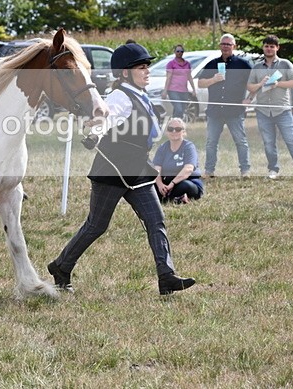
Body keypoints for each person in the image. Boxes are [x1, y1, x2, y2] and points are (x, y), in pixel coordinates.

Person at [47, 43, 195, 296]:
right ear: (125, 73)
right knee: (96, 226)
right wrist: (94, 134)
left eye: (148, 66)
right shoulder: (120, 97)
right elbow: (104, 119)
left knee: (156, 220)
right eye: (141, 67)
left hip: (137, 170)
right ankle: (61, 266)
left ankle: (166, 276)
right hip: (112, 170)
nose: (147, 71)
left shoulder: (140, 94)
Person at [246, 34, 293, 179]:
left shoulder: (285, 64)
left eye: (272, 46)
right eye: (266, 46)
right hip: (263, 111)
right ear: (263, 48)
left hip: (282, 110)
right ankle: (273, 170)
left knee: (292, 140)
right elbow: (250, 87)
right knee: (268, 142)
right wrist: (260, 84)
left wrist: (277, 84)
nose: (269, 49)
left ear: (277, 48)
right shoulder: (257, 67)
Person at [197, 33, 253, 177]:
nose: (225, 47)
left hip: (234, 111)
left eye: (228, 44)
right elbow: (200, 83)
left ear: (234, 46)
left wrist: (250, 99)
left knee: (240, 141)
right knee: (211, 142)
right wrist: (213, 80)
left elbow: (253, 84)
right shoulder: (212, 64)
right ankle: (209, 171)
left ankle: (245, 170)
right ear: (220, 46)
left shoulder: (243, 65)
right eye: (223, 44)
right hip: (215, 111)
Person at [153, 117, 204, 204]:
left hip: (187, 182)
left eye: (178, 129)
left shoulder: (189, 147)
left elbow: (188, 169)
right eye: (170, 129)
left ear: (184, 132)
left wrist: (172, 184)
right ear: (166, 132)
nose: (174, 131)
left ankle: (171, 197)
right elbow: (156, 169)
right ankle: (173, 197)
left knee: (184, 186)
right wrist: (160, 184)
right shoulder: (162, 147)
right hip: (166, 183)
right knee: (149, 185)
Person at [161, 44, 197, 119]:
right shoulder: (171, 64)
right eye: (178, 51)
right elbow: (168, 77)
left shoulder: (187, 64)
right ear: (175, 52)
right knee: (179, 109)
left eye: (181, 51)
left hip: (184, 91)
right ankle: (176, 124)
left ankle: (174, 124)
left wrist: (193, 89)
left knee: (182, 110)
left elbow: (189, 77)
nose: (179, 53)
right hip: (173, 90)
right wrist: (165, 91)